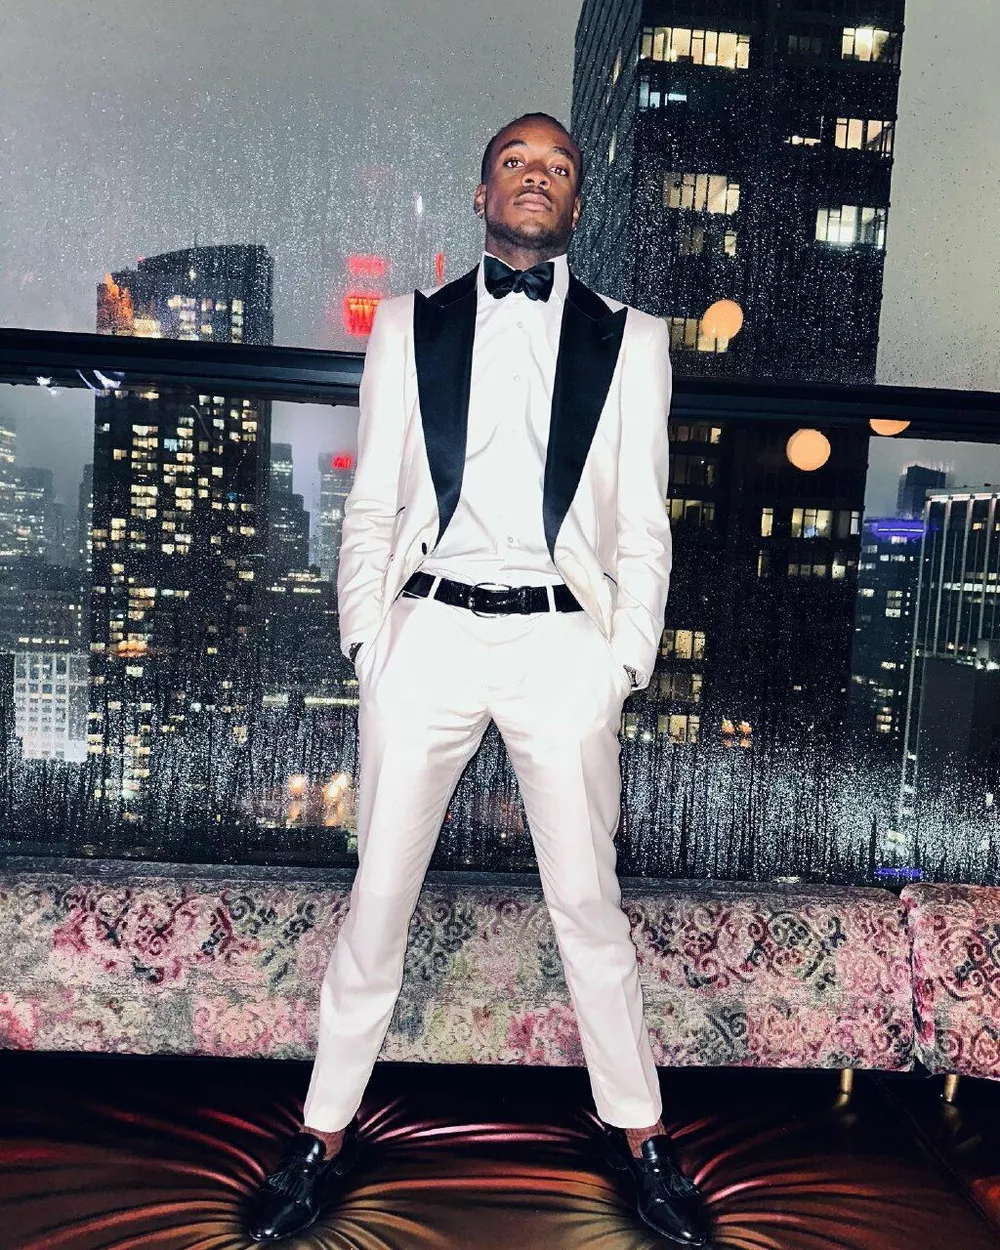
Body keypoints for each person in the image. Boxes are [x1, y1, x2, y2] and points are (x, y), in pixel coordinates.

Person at [248, 111, 708, 1247]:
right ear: (481, 191)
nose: (536, 177)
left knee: (588, 904)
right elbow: (370, 501)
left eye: (557, 167)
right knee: (378, 897)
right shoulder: (408, 324)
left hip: (563, 647)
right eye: (516, 162)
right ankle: (321, 1133)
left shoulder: (635, 340)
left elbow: (645, 526)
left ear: (577, 201)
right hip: (428, 639)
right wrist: (371, 643)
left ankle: (643, 1135)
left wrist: (621, 664)